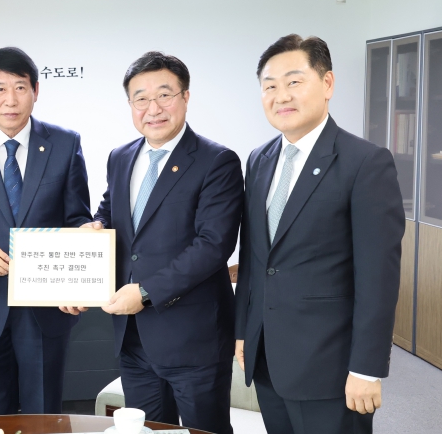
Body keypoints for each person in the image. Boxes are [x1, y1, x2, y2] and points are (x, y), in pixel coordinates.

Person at [62, 51, 243, 434]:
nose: (153, 108)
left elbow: (213, 245)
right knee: (144, 431)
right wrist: (90, 238)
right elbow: (109, 216)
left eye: (164, 95)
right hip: (133, 339)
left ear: (185, 97)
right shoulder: (121, 157)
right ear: (130, 104)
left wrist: (145, 292)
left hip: (193, 339)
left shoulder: (217, 161)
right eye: (140, 98)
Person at [234, 34, 405, 434]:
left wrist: (366, 368)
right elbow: (255, 258)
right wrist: (244, 331)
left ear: (327, 83)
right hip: (267, 358)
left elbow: (378, 278)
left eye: (294, 82)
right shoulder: (259, 160)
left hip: (331, 367)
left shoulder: (365, 162)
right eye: (270, 86)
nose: (281, 96)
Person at [0, 47, 92, 416]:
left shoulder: (64, 144)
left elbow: (77, 218)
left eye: (20, 88)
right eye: (0, 89)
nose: (10, 100)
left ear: (36, 90)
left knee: (44, 414)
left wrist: (88, 238)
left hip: (48, 307)